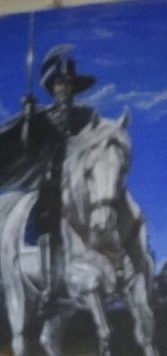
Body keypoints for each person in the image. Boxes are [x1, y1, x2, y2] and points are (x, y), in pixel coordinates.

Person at [0, 46, 98, 308]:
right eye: (59, 84)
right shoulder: (42, 116)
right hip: (52, 178)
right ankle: (49, 284)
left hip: (84, 177)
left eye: (68, 84)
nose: (64, 89)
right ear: (53, 88)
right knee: (46, 214)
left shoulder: (86, 115)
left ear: (74, 88)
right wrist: (29, 118)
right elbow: (27, 144)